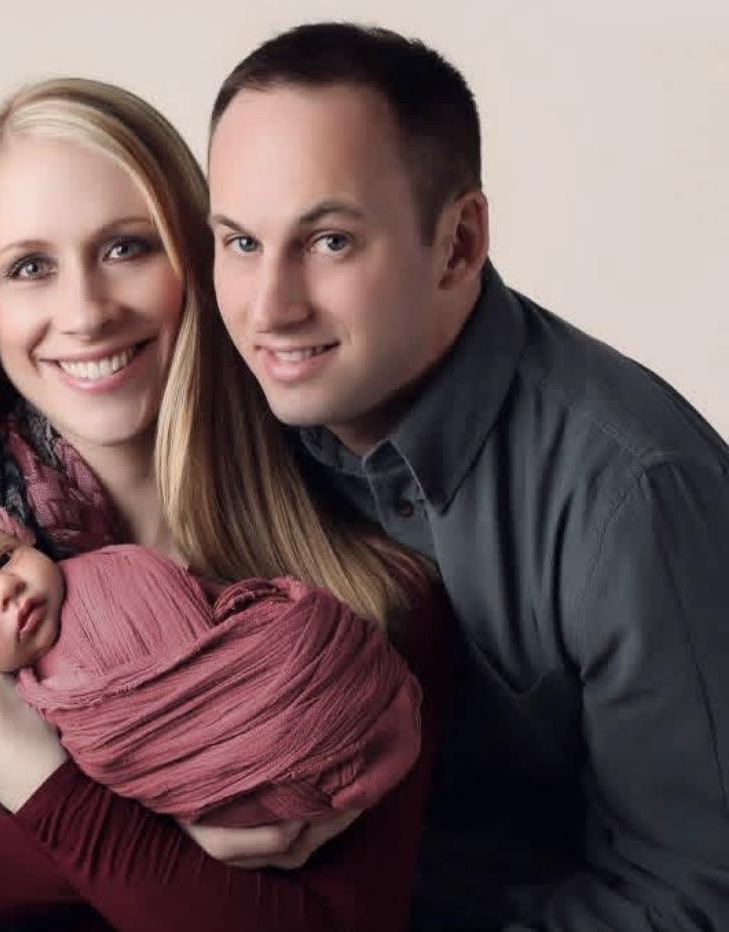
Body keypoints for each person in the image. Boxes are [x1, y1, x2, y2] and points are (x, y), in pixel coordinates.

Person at [0, 77, 450, 932]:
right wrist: (145, 821)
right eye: (29, 267)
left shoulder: (365, 578)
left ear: (201, 261)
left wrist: (48, 787)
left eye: (128, 248)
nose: (86, 312)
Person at [204, 22, 729, 931]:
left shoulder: (630, 491)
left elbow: (691, 894)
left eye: (328, 241)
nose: (270, 308)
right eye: (241, 242)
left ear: (458, 242)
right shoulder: (226, 418)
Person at [0, 480, 422, 827]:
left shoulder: (114, 570)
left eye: (2, 560)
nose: (5, 589)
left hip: (304, 706)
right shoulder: (14, 712)